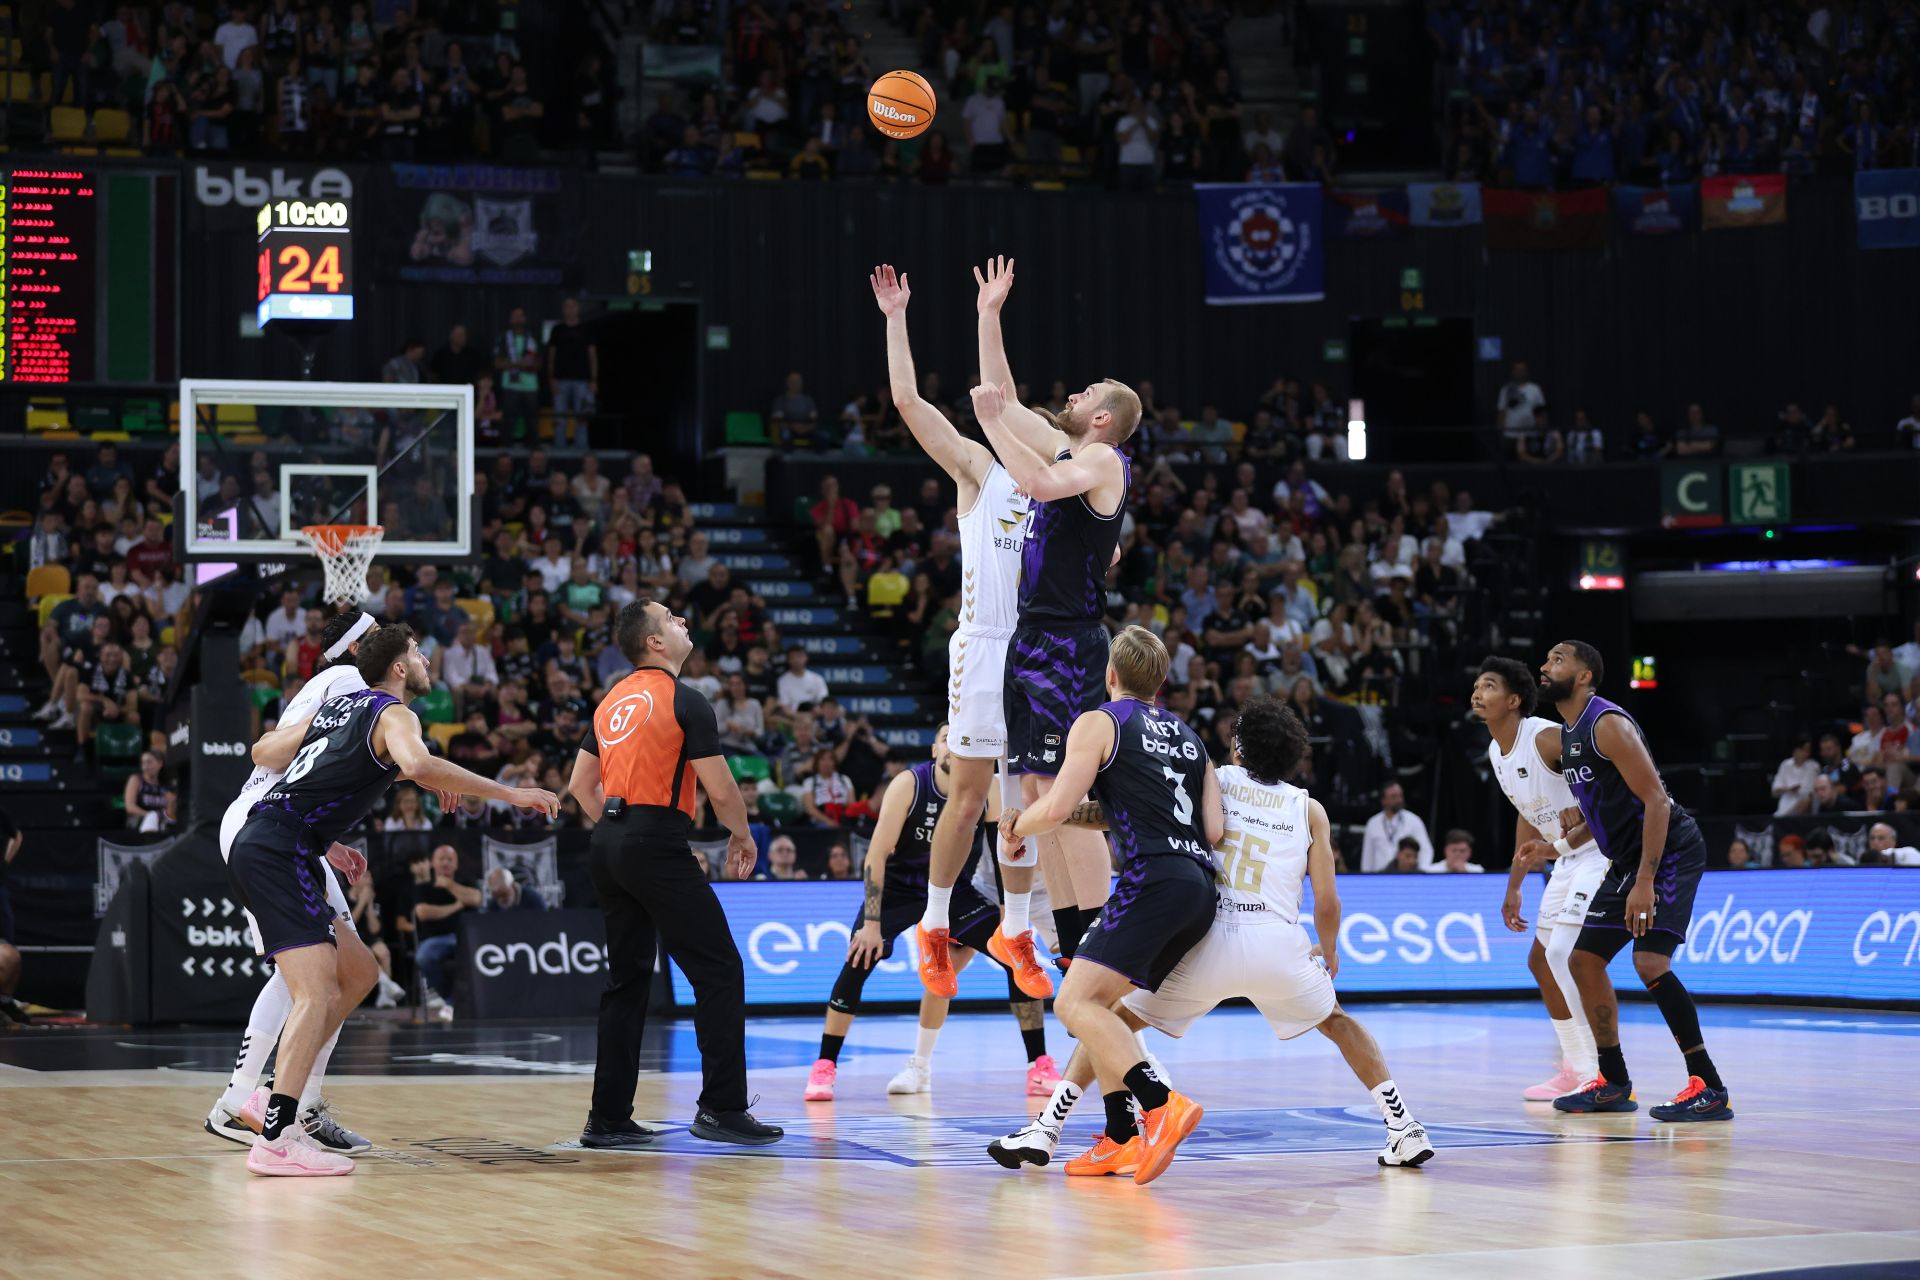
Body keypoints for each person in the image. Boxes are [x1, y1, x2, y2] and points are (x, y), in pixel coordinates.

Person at [990, 696, 1434, 1173]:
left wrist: (1067, 817)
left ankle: (1047, 1128)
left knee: (1108, 1017)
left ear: (1238, 746)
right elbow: (1328, 902)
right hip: (1276, 945)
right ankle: (1403, 1126)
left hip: (1208, 937)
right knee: (1339, 1024)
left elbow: (1140, 815)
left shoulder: (1216, 779)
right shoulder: (1311, 810)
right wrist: (1329, 952)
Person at [225, 622, 559, 1175]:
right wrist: (508, 792)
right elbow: (418, 763)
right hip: (277, 847)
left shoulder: (340, 706)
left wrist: (342, 831)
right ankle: (278, 1135)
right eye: (419, 653)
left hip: (278, 841)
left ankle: (272, 1097)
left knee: (357, 973)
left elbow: (291, 759)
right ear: (400, 668)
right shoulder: (395, 713)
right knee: (313, 990)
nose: (427, 660)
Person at [869, 261, 1052, 1007]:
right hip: (983, 643)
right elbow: (910, 401)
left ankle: (1014, 928)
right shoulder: (979, 469)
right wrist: (900, 318)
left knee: (1027, 795)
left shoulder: (1057, 482)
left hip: (1038, 652)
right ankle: (936, 926)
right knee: (970, 797)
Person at [967, 259, 1143, 995]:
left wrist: (987, 425)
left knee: (1069, 802)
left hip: (1069, 644)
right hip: (1033, 639)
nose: (1070, 397)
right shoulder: (1072, 446)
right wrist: (989, 314)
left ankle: (1104, 952)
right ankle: (1073, 953)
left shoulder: (1100, 458)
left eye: (1083, 395)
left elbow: (1031, 476)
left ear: (1102, 416)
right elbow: (1003, 405)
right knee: (1041, 791)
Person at [997, 626, 1218, 1186]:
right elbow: (1212, 828)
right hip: (1198, 889)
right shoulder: (1192, 738)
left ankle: (1160, 1103)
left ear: (1110, 675)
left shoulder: (1099, 721)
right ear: (1162, 681)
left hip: (1151, 883)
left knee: (1074, 1005)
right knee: (1102, 1010)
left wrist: (1017, 826)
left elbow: (1057, 805)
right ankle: (1119, 1136)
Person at [566, 600, 783, 1149]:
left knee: (627, 980)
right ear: (656, 643)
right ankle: (721, 1108)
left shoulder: (611, 699)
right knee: (719, 970)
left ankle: (608, 1117)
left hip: (608, 842)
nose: (684, 621)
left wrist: (621, 833)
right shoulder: (686, 701)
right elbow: (722, 788)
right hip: (654, 841)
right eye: (672, 619)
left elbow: (579, 786)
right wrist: (740, 835)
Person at [205, 611, 383, 1154]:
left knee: (354, 970)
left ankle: (295, 1102)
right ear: (358, 650)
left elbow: (304, 773)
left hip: (285, 825)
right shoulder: (347, 682)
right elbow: (270, 754)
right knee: (307, 969)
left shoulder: (341, 685)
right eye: (378, 638)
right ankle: (244, 1102)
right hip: (264, 827)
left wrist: (326, 841)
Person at [803, 726, 1059, 1101]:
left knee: (1012, 959)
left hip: (954, 891)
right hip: (899, 890)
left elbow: (1003, 850)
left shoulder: (985, 787)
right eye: (945, 737)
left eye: (960, 737)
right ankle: (825, 1065)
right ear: (935, 747)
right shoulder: (909, 784)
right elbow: (876, 856)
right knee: (859, 957)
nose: (954, 743)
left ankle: (1037, 1064)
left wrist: (1008, 916)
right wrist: (872, 924)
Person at [1540, 642, 1731, 1122]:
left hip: (1668, 850)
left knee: (1649, 961)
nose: (1545, 666)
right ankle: (1613, 1082)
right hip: (1626, 858)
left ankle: (1707, 1084)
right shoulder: (1567, 735)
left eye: (1557, 659)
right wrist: (1575, 823)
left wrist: (1645, 879)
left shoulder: (1607, 724)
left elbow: (1657, 802)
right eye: (1546, 660)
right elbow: (1610, 801)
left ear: (1585, 676)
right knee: (1583, 962)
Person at [1474, 656, 1604, 1101]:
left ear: (1513, 700)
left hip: (1597, 853)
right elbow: (1528, 816)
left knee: (1565, 955)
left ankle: (1600, 1070)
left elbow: (1605, 780)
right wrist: (1514, 884)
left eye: (1488, 686)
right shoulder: (1496, 750)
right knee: (1540, 960)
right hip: (1563, 859)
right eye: (1477, 686)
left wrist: (1584, 808)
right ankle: (1576, 1067)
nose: (1478, 693)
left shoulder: (1547, 736)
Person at [413, 844, 478, 1013]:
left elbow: (477, 899)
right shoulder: (424, 888)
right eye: (441, 859)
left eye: (450, 860)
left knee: (478, 955)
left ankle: (451, 1002)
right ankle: (447, 996)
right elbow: (423, 913)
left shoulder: (466, 882)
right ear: (433, 863)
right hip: (435, 939)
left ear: (456, 864)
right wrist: (457, 906)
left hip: (465, 939)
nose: (445, 863)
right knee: (424, 956)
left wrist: (450, 885)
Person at [1359, 781, 1434, 871]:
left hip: (1406, 876)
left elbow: (1426, 850)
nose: (1399, 800)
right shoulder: (1373, 823)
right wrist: (1366, 877)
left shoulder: (1414, 821)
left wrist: (1420, 873)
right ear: (1383, 800)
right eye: (1393, 796)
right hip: (1379, 877)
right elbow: (1367, 856)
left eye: (1400, 795)